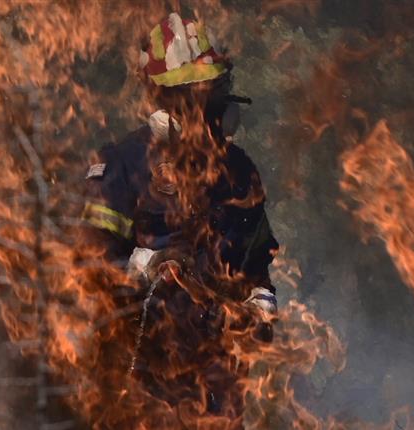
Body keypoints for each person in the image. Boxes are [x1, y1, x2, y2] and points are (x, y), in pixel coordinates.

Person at [80, 12, 278, 420]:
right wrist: (145, 264)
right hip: (142, 373)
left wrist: (261, 306)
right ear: (168, 99)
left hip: (218, 381)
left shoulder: (240, 172)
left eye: (216, 92)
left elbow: (257, 261)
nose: (212, 108)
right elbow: (88, 260)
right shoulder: (123, 165)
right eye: (200, 95)